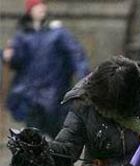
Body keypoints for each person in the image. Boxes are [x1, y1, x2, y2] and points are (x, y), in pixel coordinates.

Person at [2, 0, 89, 137]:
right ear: (30, 11)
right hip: (31, 96)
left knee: (59, 137)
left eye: (42, 5)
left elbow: (76, 55)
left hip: (55, 94)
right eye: (37, 6)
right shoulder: (23, 35)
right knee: (33, 139)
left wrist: (84, 77)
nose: (41, 7)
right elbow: (16, 61)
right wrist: (7, 56)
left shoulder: (58, 33)